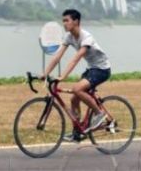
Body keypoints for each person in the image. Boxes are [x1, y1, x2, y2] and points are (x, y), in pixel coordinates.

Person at [41, 9, 114, 142]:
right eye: (63, 21)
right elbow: (57, 56)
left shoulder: (86, 37)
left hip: (102, 69)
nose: (64, 24)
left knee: (76, 89)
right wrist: (45, 74)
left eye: (66, 20)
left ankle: (99, 114)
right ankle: (77, 132)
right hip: (91, 68)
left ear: (76, 21)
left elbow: (76, 58)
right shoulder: (69, 37)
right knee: (74, 99)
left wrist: (62, 76)